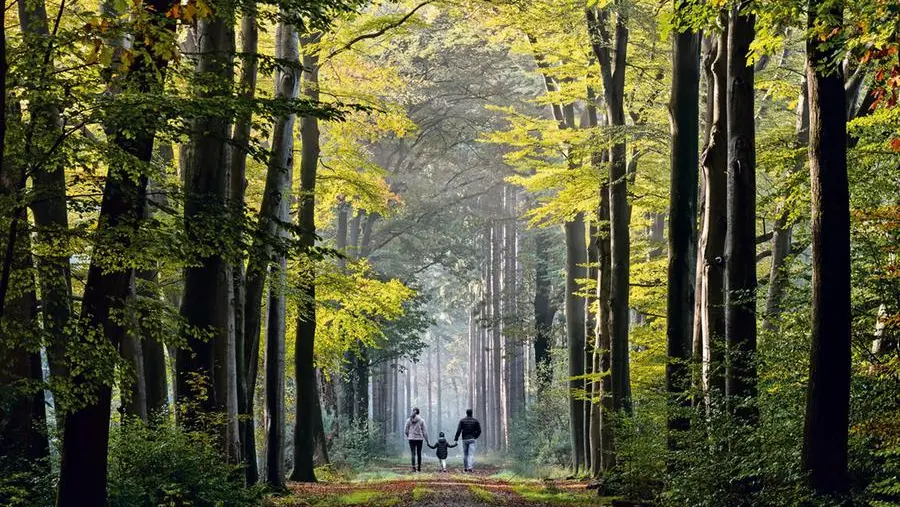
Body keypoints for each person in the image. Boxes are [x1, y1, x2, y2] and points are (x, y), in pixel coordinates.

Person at [404, 407, 429, 472]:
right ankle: (419, 467)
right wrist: (427, 441)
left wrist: (409, 436)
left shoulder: (408, 420)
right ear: (419, 412)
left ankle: (413, 467)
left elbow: (406, 430)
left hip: (411, 439)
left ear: (413, 411)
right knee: (419, 453)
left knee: (413, 453)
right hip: (419, 439)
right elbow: (424, 432)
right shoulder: (421, 420)